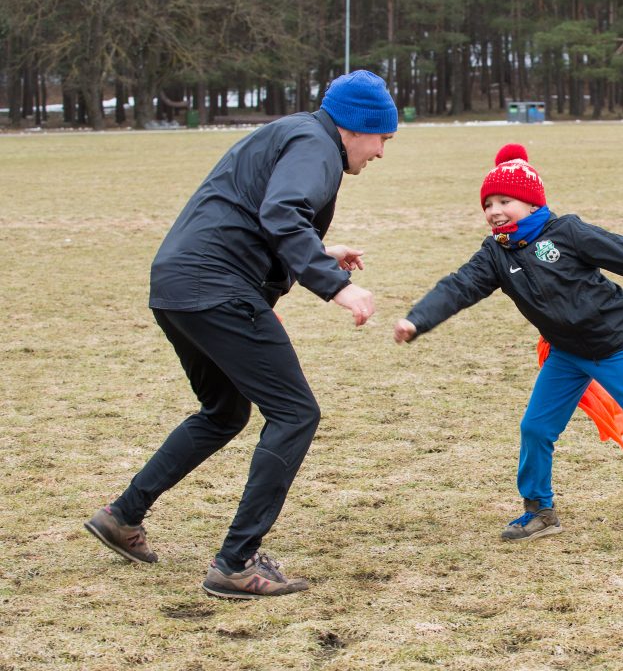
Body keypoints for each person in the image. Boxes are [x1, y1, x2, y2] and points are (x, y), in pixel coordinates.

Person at [85, 70, 398, 598]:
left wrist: (322, 251)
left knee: (223, 412)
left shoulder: (294, 133)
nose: (382, 152)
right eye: (383, 138)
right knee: (296, 413)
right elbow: (282, 212)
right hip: (216, 288)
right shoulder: (318, 148)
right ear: (355, 126)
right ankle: (236, 562)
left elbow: (252, 213)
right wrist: (335, 285)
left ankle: (123, 516)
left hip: (176, 284)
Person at [393, 146, 623, 555]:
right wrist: (417, 319)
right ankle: (540, 512)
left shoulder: (568, 233)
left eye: (504, 201)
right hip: (564, 353)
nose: (494, 211)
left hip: (612, 346)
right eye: (488, 203)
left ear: (531, 202)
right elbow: (458, 287)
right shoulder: (495, 253)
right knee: (536, 428)